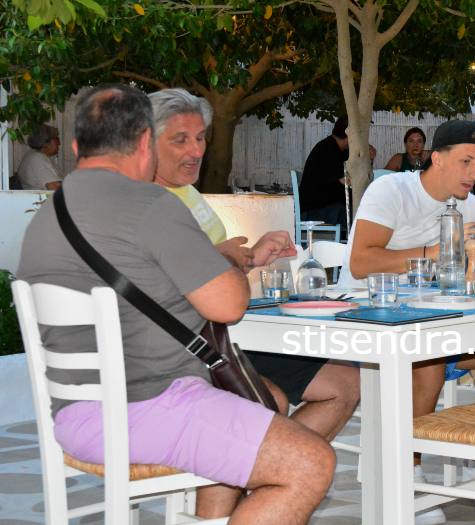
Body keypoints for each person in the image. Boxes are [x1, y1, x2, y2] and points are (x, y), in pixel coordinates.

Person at [16, 84, 334, 524]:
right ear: (146, 141)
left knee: (246, 414)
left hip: (74, 417)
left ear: (75, 147)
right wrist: (230, 265)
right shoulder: (151, 205)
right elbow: (229, 306)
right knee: (309, 463)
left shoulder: (49, 214)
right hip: (147, 408)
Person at [339, 120, 475, 522]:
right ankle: (406, 474)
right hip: (372, 321)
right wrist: (437, 250)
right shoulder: (392, 190)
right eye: (466, 162)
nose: (474, 173)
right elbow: (360, 262)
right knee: (426, 359)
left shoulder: (469, 203)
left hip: (438, 324)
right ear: (437, 159)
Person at [148, 88, 360, 446]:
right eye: (180, 140)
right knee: (267, 403)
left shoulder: (185, 190)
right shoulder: (147, 201)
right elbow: (166, 280)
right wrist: (224, 257)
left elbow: (211, 267)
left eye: (200, 138)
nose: (196, 150)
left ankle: (278, 468)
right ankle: (270, 468)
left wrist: (251, 256)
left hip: (227, 331)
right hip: (188, 343)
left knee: (345, 382)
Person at [298, 115, 350, 229]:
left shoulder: (337, 149)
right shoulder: (329, 150)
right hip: (314, 212)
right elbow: (343, 184)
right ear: (350, 134)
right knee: (355, 214)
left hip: (321, 208)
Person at [16, 124, 64, 190]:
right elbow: (55, 188)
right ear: (46, 143)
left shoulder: (36, 155)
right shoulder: (37, 159)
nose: (59, 143)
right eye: (57, 139)